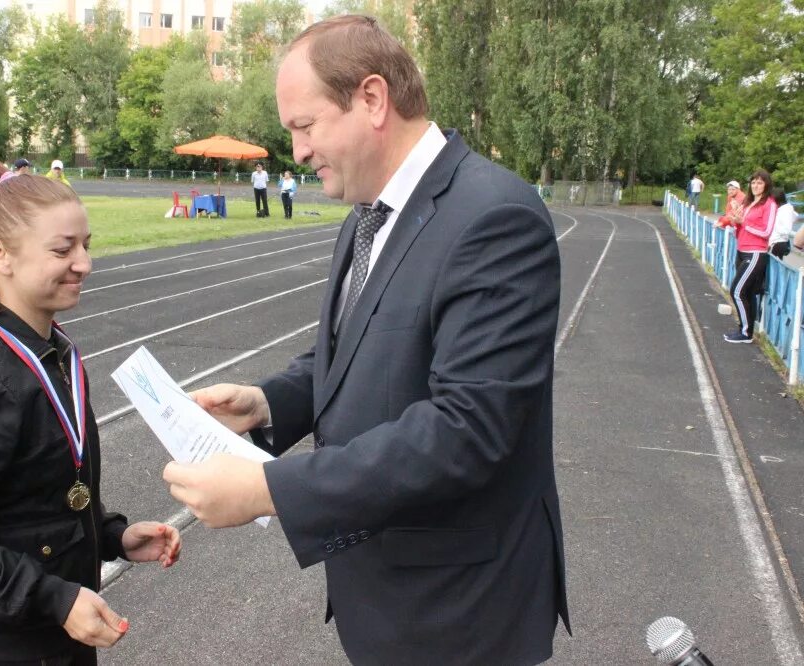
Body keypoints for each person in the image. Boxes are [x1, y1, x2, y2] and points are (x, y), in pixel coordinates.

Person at [162, 15, 568, 665]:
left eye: (304, 126)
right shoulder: (368, 216)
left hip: (459, 614)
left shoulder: (495, 217)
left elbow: (467, 430)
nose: (295, 151)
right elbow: (361, 351)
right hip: (389, 597)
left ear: (372, 99)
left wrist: (268, 491)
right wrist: (271, 404)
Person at [0, 166, 181, 666]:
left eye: (86, 245)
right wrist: (55, 597)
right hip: (2, 650)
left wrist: (111, 535)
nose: (85, 263)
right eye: (63, 249)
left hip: (58, 636)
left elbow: (39, 497)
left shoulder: (55, 352)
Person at [723, 170, 777, 344]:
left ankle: (746, 333)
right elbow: (740, 227)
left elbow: (766, 231)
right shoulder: (748, 202)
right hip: (742, 249)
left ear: (766, 185)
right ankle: (745, 329)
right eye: (753, 182)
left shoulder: (769, 204)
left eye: (760, 183)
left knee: (737, 291)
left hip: (756, 252)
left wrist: (743, 223)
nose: (755, 186)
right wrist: (735, 221)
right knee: (747, 293)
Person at [768, 188, 796, 260]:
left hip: (778, 242)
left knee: (775, 268)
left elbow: (786, 230)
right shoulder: (781, 209)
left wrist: (774, 225)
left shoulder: (785, 211)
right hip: (775, 242)